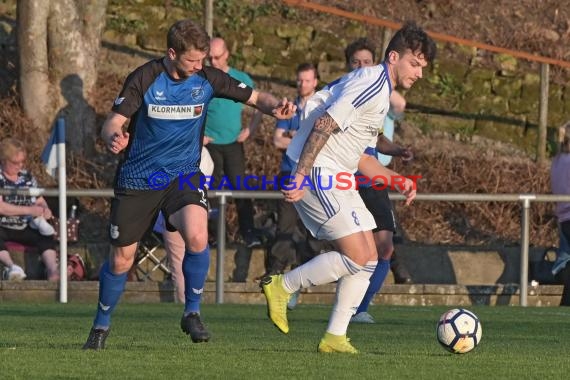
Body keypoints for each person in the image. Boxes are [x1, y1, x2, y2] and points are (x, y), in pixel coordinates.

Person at [82, 19, 295, 350]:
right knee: (121, 260)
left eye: (203, 59)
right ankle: (101, 323)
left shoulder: (207, 79)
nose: (200, 66)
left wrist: (277, 107)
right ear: (171, 53)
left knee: (197, 235)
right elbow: (114, 121)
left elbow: (256, 97)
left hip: (184, 174)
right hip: (140, 179)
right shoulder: (145, 78)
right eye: (193, 60)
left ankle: (192, 312)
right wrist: (113, 137)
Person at [261, 22, 435, 354]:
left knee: (368, 257)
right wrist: (300, 175)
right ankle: (283, 285)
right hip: (316, 170)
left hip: (335, 170)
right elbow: (326, 123)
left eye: (423, 67)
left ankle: (335, 336)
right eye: (415, 64)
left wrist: (396, 166)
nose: (420, 73)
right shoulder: (370, 83)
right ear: (394, 56)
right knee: (357, 255)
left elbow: (362, 151)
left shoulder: (380, 91)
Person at [343, 38, 415, 324]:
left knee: (384, 247)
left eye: (366, 61)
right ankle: (292, 285)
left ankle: (359, 308)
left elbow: (376, 138)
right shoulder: (348, 92)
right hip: (346, 178)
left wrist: (397, 150)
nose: (361, 66)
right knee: (351, 249)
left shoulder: (378, 93)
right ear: (348, 65)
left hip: (372, 178)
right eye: (355, 62)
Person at [204, 37, 263, 248]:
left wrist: (250, 129)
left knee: (240, 188)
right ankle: (214, 236)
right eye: (209, 57)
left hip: (233, 144)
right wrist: (198, 135)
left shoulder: (240, 78)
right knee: (211, 192)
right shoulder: (202, 78)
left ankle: (249, 233)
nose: (213, 61)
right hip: (208, 145)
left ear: (227, 54)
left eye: (217, 57)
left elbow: (259, 106)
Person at [154, 147, 215, 303]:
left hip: (173, 208)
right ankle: (193, 306)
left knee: (179, 263)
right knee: (194, 260)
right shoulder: (203, 152)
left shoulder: (167, 148)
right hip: (196, 209)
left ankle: (187, 306)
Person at [0, 137, 59, 281]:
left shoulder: (27, 176)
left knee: (46, 236)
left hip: (26, 226)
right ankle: (12, 267)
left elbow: (39, 199)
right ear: (3, 160)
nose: (19, 166)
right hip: (3, 225)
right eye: (15, 163)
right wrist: (29, 210)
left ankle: (53, 271)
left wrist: (45, 209)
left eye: (22, 162)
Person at [551, 122, 570, 306]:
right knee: (565, 263)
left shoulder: (558, 160)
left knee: (565, 259)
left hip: (564, 218)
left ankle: (565, 304)